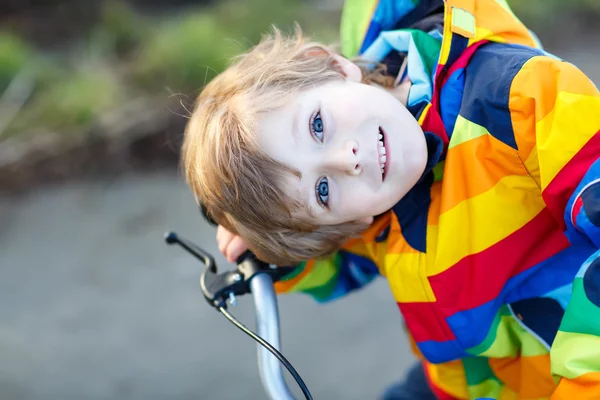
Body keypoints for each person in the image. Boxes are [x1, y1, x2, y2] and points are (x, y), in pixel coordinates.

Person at [181, 0, 600, 398]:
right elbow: (345, 263)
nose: (347, 160)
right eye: (322, 190)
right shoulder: (373, 213)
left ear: (330, 67)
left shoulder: (519, 99)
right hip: (469, 385)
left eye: (317, 126)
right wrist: (277, 255)